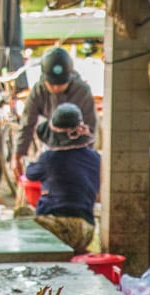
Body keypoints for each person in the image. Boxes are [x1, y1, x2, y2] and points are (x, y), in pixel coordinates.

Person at [24, 103, 101, 254]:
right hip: (87, 229)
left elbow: (30, 173)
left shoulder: (50, 158)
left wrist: (39, 154)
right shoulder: (95, 157)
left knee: (22, 216)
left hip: (57, 228)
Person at [12, 47, 97, 180]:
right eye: (51, 84)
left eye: (61, 84)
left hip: (77, 146)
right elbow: (27, 124)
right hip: (51, 143)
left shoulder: (82, 91)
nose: (56, 88)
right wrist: (17, 155)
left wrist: (83, 158)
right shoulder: (38, 91)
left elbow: (90, 128)